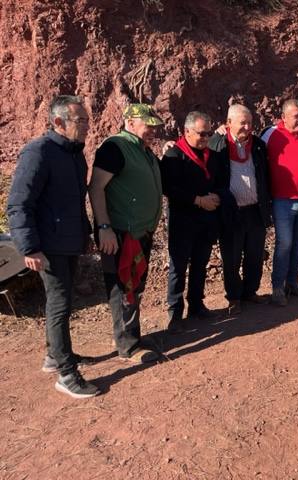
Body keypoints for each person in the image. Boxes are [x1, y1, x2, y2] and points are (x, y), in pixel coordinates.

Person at [6, 95, 99, 398]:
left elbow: (75, 202)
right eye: (80, 121)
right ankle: (66, 373)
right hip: (48, 247)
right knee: (59, 305)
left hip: (68, 242)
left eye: (86, 120)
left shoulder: (74, 154)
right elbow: (19, 204)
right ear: (58, 123)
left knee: (62, 302)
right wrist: (29, 247)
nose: (86, 126)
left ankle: (53, 356)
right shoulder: (38, 153)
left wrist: (84, 234)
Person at [89, 104, 164, 364]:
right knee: (123, 287)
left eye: (155, 125)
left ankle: (131, 335)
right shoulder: (115, 148)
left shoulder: (144, 151)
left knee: (135, 285)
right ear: (130, 122)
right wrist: (104, 227)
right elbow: (96, 188)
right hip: (120, 233)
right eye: (148, 124)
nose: (153, 129)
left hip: (141, 231)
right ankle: (128, 347)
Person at [161, 111, 226, 332]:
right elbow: (169, 188)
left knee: (200, 264)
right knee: (178, 267)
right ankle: (175, 314)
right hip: (183, 220)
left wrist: (216, 197)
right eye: (201, 133)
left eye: (208, 133)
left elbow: (219, 181)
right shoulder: (173, 156)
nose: (206, 138)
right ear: (187, 131)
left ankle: (196, 305)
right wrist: (198, 200)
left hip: (207, 220)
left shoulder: (212, 155)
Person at [209, 104, 271, 315]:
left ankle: (250, 291)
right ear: (228, 124)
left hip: (255, 210)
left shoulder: (259, 146)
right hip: (231, 212)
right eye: (242, 122)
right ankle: (234, 297)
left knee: (255, 254)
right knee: (232, 256)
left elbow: (265, 176)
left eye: (250, 122)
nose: (247, 126)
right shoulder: (217, 145)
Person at [261, 99, 298, 306]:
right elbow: (249, 147)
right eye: (296, 116)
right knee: (284, 244)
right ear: (283, 117)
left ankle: (293, 283)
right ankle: (277, 288)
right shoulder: (270, 134)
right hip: (281, 200)